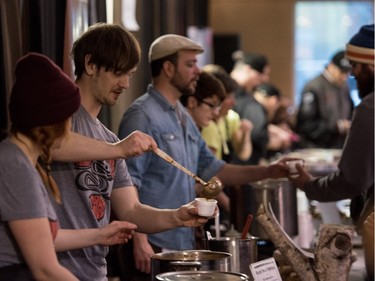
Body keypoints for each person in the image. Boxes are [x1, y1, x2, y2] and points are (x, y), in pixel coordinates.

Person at [117, 34, 291, 280]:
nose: (197, 71)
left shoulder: (183, 115)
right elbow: (127, 183)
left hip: (181, 240)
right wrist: (139, 240)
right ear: (167, 68)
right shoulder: (142, 115)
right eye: (189, 64)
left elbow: (214, 169)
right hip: (153, 246)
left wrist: (268, 171)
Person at [49, 23, 209, 281]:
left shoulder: (108, 138)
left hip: (94, 271)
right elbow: (53, 144)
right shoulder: (59, 114)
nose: (125, 83)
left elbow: (132, 210)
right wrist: (118, 149)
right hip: (51, 270)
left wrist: (177, 216)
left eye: (130, 74)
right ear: (90, 64)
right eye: (118, 73)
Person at [0, 53, 138, 280]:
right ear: (50, 123)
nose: (70, 127)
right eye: (67, 118)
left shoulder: (20, 160)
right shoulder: (14, 164)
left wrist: (99, 235)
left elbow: (45, 237)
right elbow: (45, 269)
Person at [289, 24, 374, 280]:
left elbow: (351, 180)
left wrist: (309, 185)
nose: (352, 74)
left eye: (355, 67)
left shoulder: (370, 107)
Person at [295, 50, 354, 149]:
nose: (344, 76)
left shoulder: (344, 87)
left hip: (338, 148)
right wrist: (337, 127)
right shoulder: (313, 87)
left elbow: (351, 113)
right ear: (331, 66)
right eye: (342, 71)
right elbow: (306, 125)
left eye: (347, 73)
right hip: (316, 149)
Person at [201, 64, 253, 163]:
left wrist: (246, 133)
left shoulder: (231, 118)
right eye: (228, 97)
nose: (234, 102)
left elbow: (243, 154)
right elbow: (209, 169)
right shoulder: (207, 126)